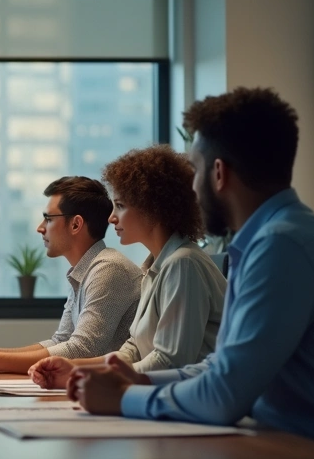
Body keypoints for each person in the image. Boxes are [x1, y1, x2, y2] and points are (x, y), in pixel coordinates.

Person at [47, 88, 314, 459]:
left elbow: (224, 396)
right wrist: (140, 381)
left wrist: (122, 398)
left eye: (195, 170)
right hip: (288, 458)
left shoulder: (283, 246)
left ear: (218, 173)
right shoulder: (271, 240)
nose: (191, 188)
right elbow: (221, 367)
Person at [25, 145, 226, 387]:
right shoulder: (154, 268)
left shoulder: (183, 264)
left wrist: (91, 377)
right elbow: (133, 351)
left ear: (152, 208)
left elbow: (170, 363)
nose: (111, 218)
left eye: (120, 206)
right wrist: (73, 369)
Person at [0, 177, 142, 373]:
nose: (40, 228)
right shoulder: (85, 270)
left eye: (48, 219)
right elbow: (61, 341)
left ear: (75, 225)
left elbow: (82, 350)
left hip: (114, 394)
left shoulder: (108, 269)